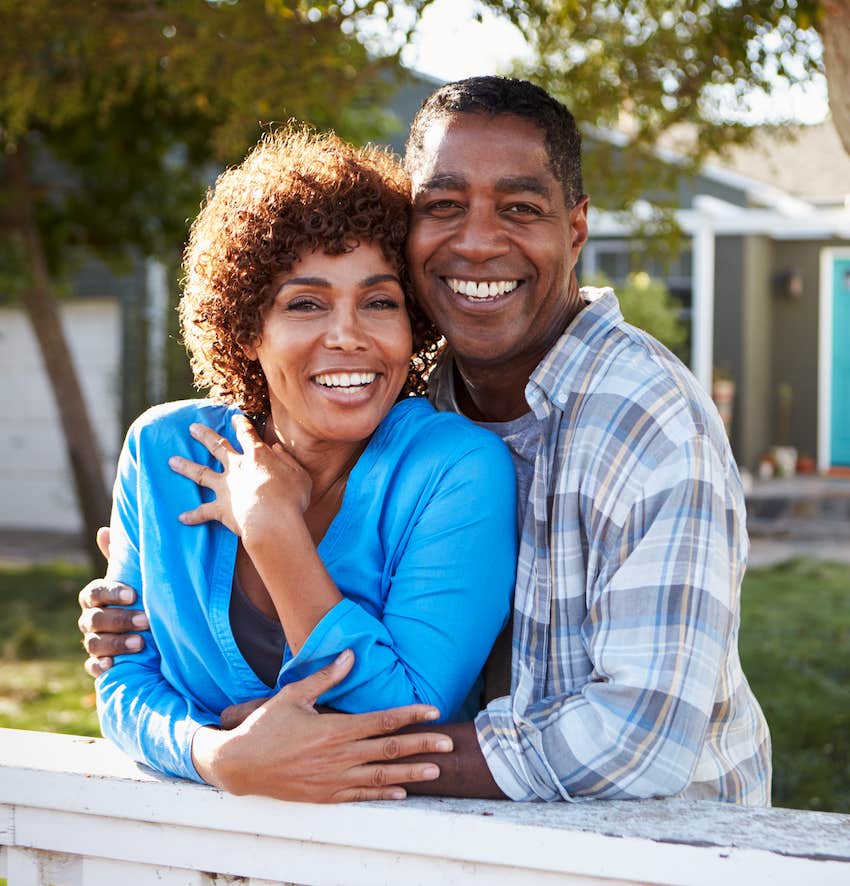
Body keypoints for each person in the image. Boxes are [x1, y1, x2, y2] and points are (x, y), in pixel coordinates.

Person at [80, 76, 771, 805]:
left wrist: (314, 753)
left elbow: (642, 740)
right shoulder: (425, 392)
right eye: (442, 207)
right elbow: (129, 674)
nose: (475, 242)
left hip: (668, 846)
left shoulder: (649, 425)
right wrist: (217, 753)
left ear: (575, 229)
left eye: (519, 208)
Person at [90, 125, 518, 799]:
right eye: (305, 303)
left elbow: (404, 720)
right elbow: (121, 680)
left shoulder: (455, 471)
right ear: (246, 328)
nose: (348, 336)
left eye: (380, 302)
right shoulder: (163, 452)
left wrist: (270, 526)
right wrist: (217, 754)